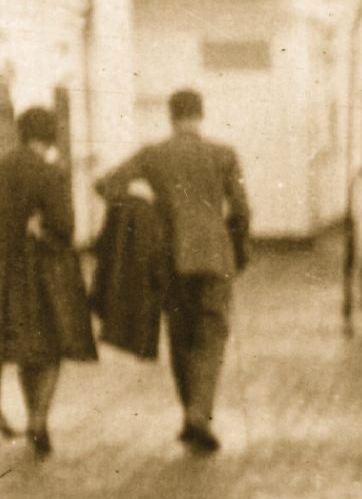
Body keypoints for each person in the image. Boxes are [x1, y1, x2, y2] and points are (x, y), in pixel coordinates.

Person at [97, 86, 250, 452]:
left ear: (171, 116)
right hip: (214, 256)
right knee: (211, 335)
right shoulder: (224, 154)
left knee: (180, 337)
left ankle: (188, 415)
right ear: (200, 115)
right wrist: (239, 250)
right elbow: (242, 210)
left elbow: (105, 185)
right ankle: (200, 413)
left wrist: (145, 211)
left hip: (169, 258)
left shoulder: (153, 155)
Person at [1, 104, 99, 458]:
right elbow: (64, 227)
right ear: (50, 137)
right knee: (47, 348)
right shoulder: (51, 173)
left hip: (3, 268)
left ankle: (22, 414)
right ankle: (38, 420)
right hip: (41, 273)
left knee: (16, 345)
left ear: (21, 133)